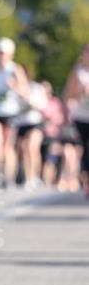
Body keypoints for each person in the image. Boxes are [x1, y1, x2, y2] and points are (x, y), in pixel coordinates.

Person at [0, 37, 29, 188]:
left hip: (10, 112)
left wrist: (14, 86)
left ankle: (9, 177)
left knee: (7, 147)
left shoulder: (15, 70)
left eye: (4, 53)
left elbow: (25, 92)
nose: (1, 56)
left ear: (10, 54)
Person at [63, 43, 89, 196]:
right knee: (85, 148)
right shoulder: (78, 72)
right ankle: (86, 180)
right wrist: (80, 92)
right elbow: (68, 95)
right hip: (81, 117)